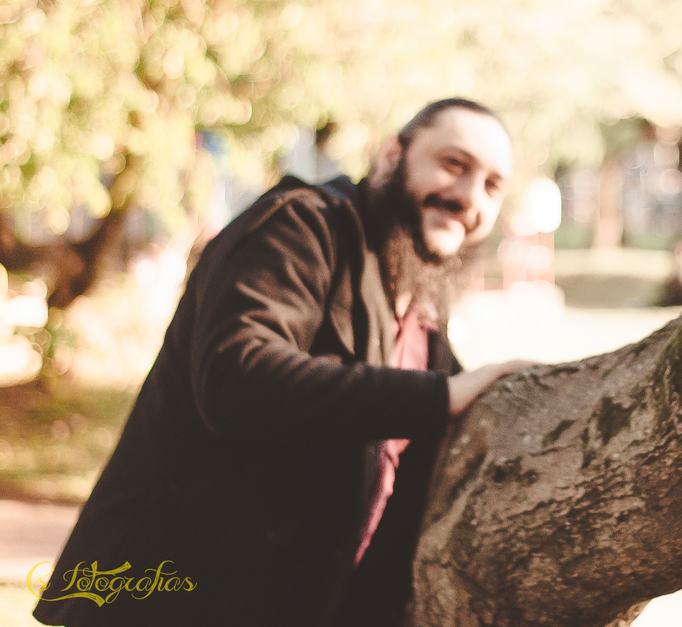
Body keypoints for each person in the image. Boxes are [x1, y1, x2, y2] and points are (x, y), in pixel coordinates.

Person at [33, 98, 534, 627]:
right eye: (454, 164)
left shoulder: (418, 299)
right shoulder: (300, 225)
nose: (468, 196)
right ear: (392, 154)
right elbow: (237, 376)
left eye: (492, 186)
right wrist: (439, 397)